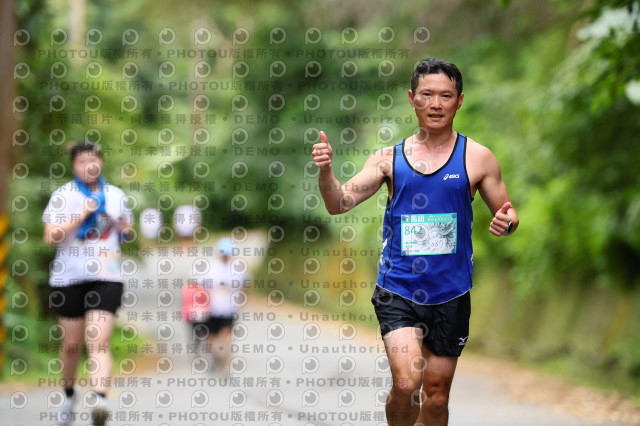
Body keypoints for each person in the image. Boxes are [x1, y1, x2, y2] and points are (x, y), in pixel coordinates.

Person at [311, 58, 519, 426]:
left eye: (445, 96)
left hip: (452, 292)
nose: (435, 104)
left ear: (459, 100)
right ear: (412, 98)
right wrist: (326, 172)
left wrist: (508, 222)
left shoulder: (477, 158)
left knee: (436, 398)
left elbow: (508, 212)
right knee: (408, 383)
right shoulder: (388, 159)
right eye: (426, 95)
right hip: (399, 290)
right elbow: (338, 202)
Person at [42, 140, 133, 426]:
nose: (89, 165)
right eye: (82, 161)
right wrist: (81, 214)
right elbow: (50, 237)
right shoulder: (63, 195)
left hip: (106, 276)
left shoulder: (116, 195)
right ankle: (69, 395)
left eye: (93, 159)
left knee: (98, 340)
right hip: (69, 277)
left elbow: (127, 233)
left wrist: (124, 228)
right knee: (71, 345)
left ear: (101, 162)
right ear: (74, 166)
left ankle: (100, 400)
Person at [183, 237, 248, 373]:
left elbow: (244, 287)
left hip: (225, 309)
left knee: (222, 337)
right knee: (215, 337)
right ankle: (219, 359)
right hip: (216, 308)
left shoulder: (231, 268)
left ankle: (222, 361)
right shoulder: (221, 268)